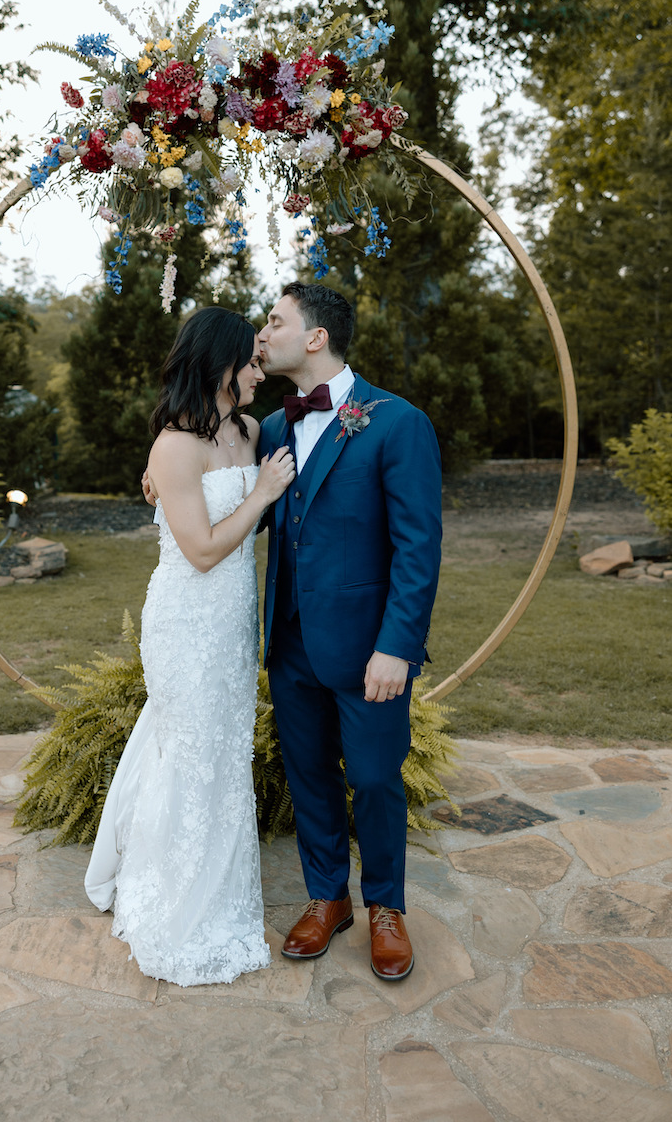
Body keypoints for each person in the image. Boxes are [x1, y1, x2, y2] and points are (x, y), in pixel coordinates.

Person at [84, 306, 296, 986]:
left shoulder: (250, 429)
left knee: (222, 754)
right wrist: (261, 494)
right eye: (252, 363)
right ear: (221, 367)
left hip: (232, 624)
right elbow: (203, 549)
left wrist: (259, 495)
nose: (262, 374)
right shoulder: (174, 447)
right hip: (184, 619)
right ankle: (174, 899)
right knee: (192, 752)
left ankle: (221, 886)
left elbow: (240, 528)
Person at [257, 282, 442, 981]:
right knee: (307, 776)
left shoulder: (396, 423)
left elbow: (417, 548)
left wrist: (396, 644)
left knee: (372, 777)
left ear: (314, 338)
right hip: (291, 642)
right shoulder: (272, 429)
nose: (262, 333)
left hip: (369, 647)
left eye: (273, 322)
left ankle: (386, 908)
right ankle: (326, 897)